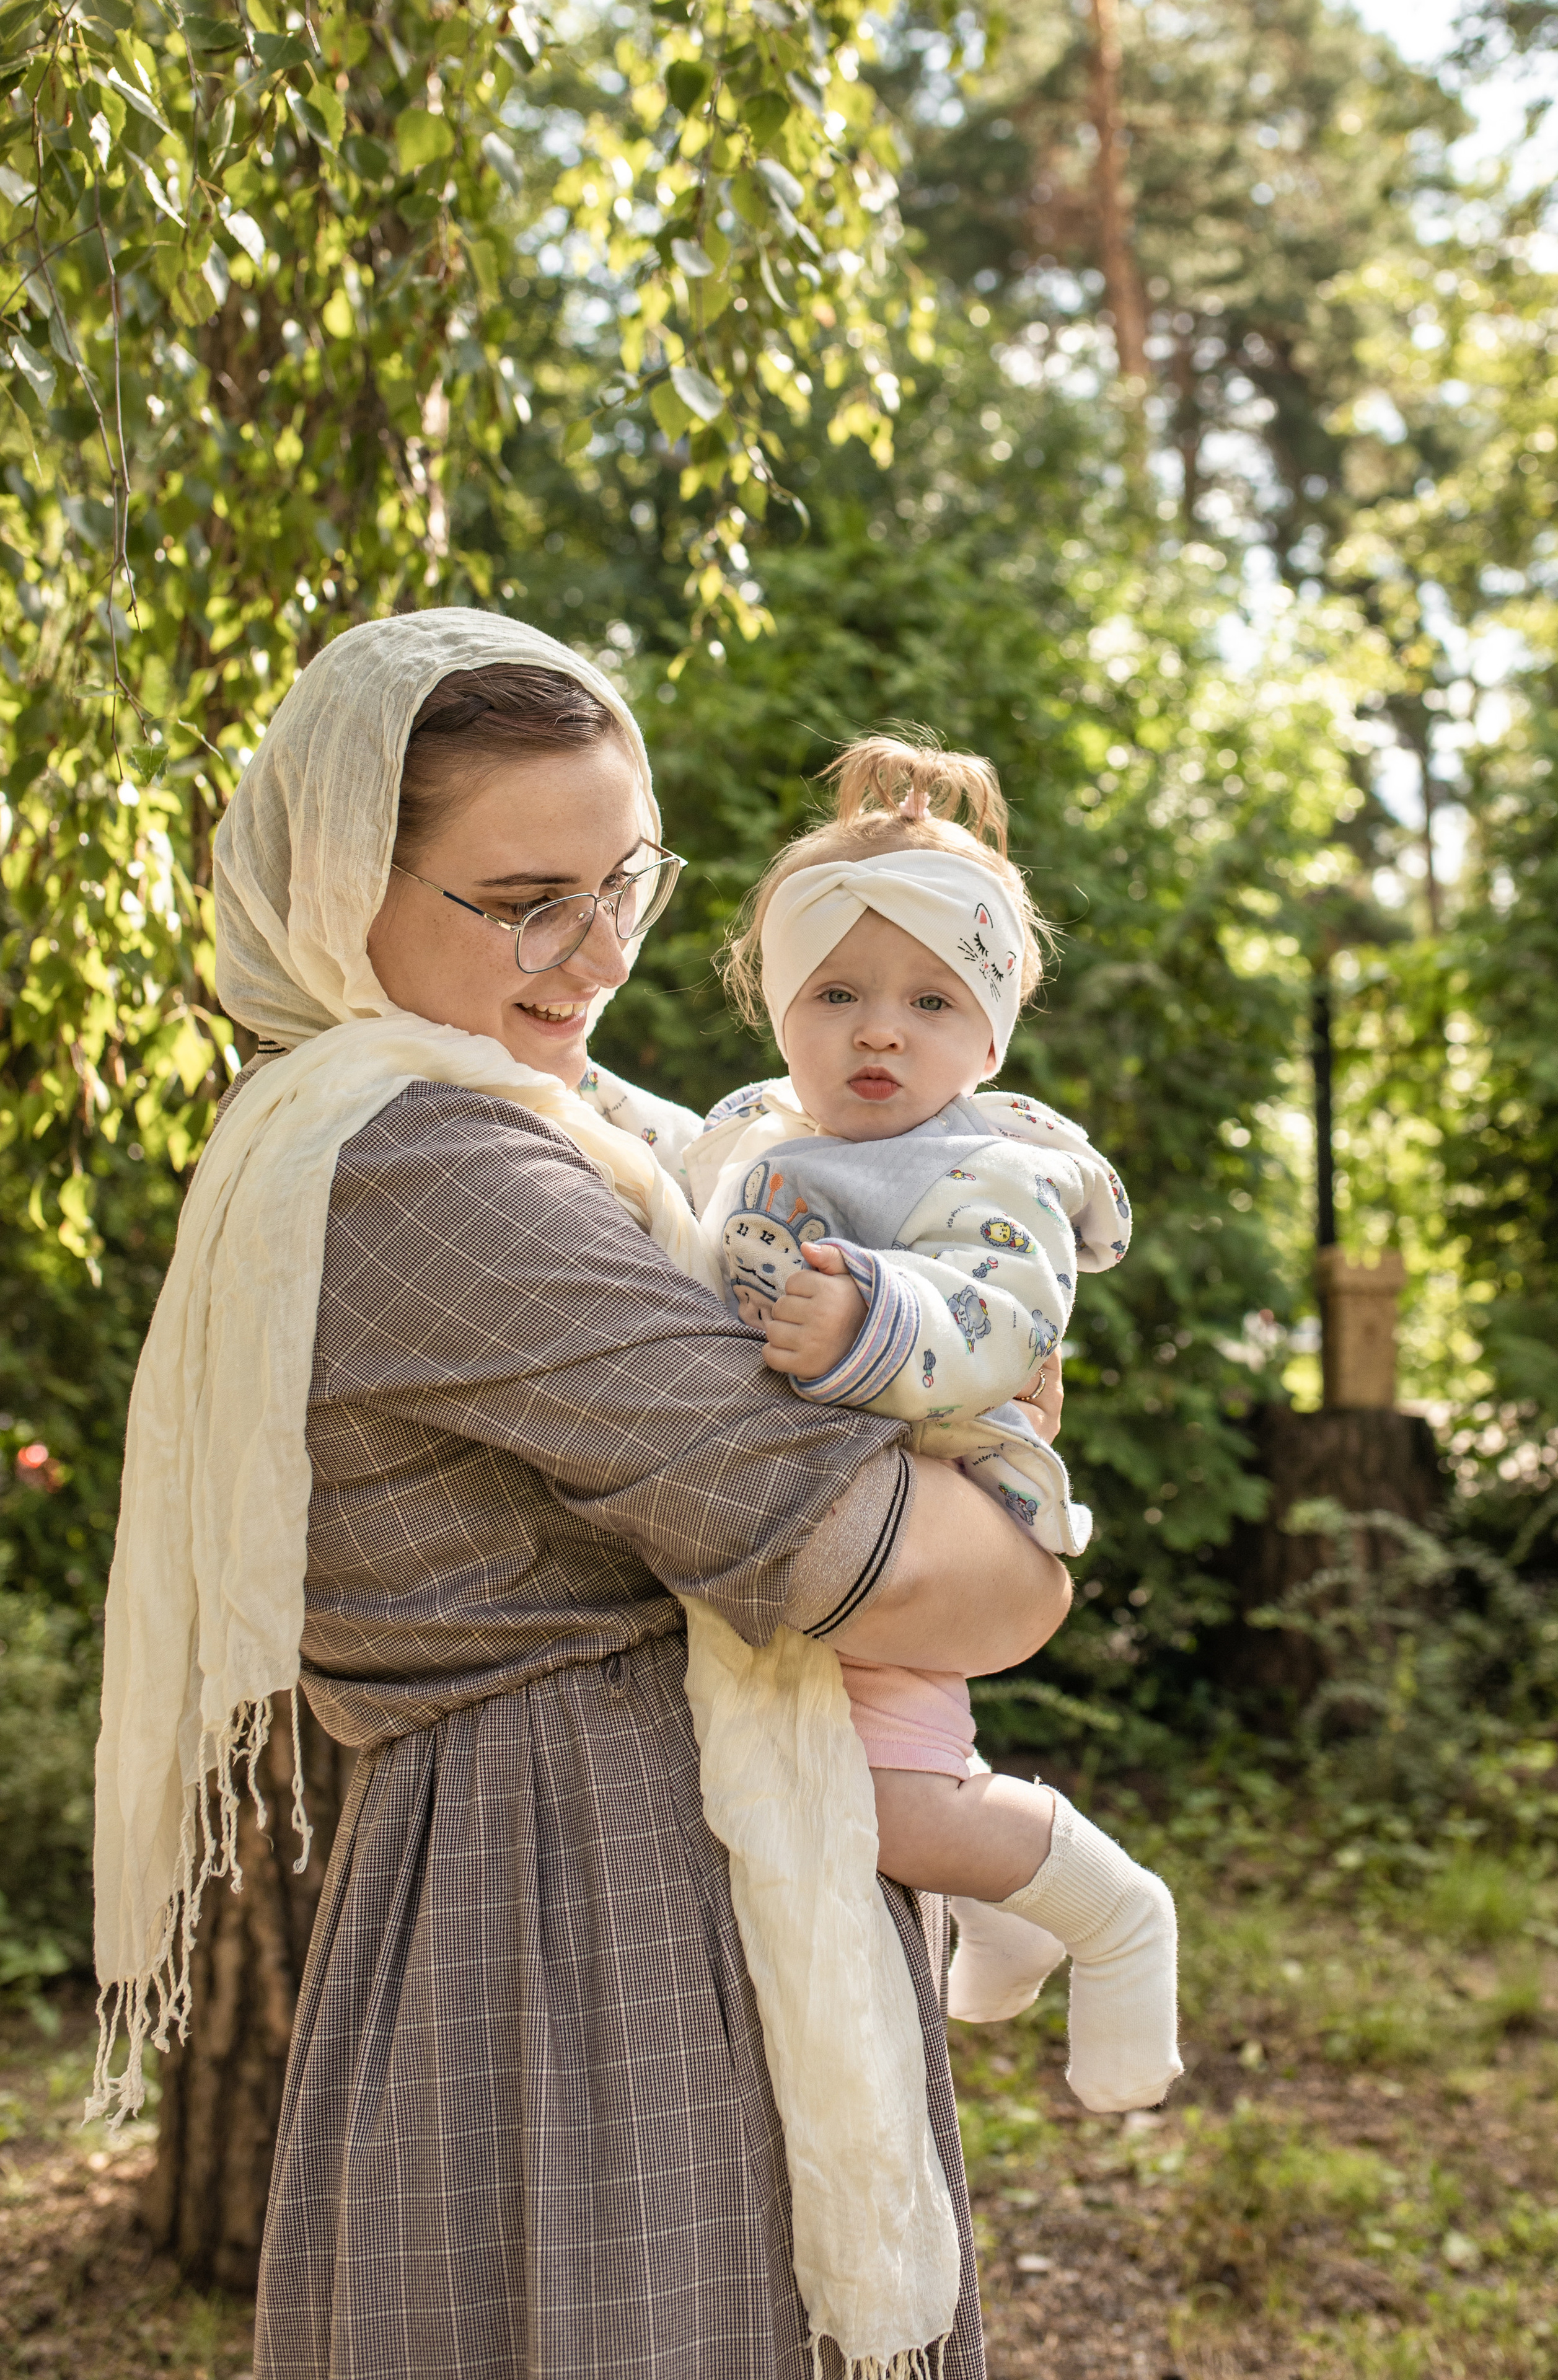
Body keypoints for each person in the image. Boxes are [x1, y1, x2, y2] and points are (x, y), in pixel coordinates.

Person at [90, 610, 1074, 2380]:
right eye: (525, 900)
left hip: (651, 1874)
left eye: (627, 882)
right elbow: (947, 1584)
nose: (597, 951)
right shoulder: (422, 1164)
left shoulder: (582, 1132)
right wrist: (1005, 1462)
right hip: (577, 1920)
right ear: (343, 888)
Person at [684, 733, 1182, 2107]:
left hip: (926, 1507)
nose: (877, 1031)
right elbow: (660, 1177)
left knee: (885, 1806)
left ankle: (1103, 1907)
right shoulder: (751, 1134)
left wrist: (874, 1322)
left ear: (991, 1027)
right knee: (804, 1796)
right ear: (779, 1008)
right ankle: (1004, 1911)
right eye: (832, 993)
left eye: (926, 999)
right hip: (788, 1529)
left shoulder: (990, 1167)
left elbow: (1009, 1326)